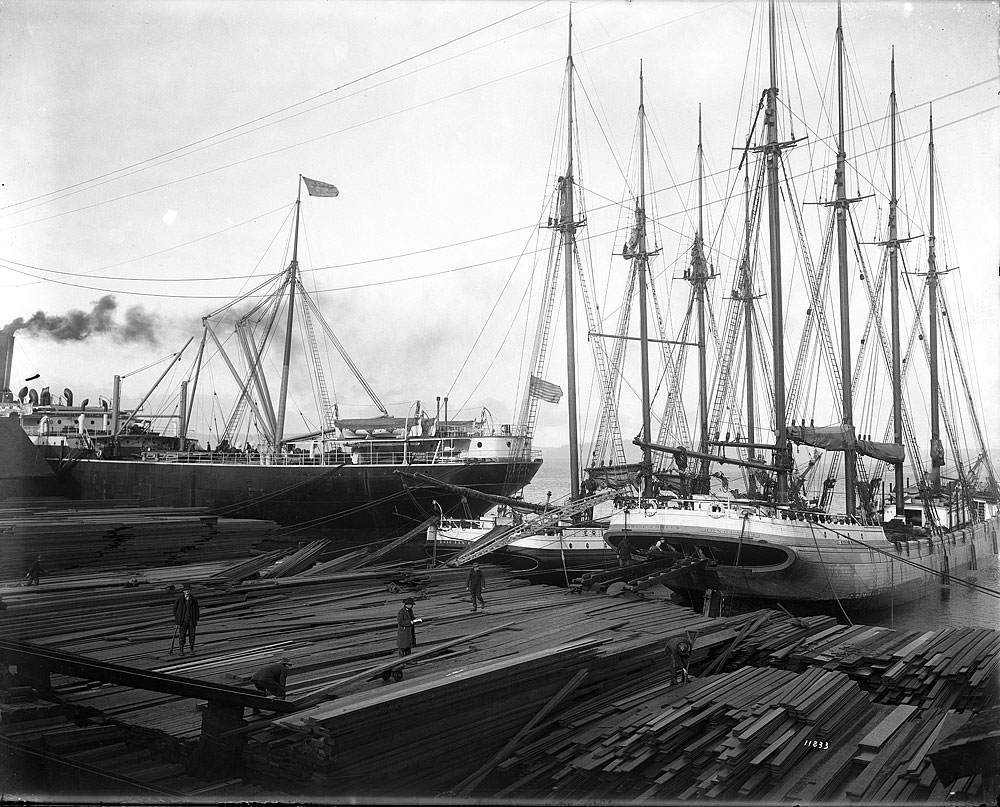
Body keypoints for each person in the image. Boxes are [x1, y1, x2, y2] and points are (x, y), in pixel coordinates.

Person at [173, 583, 200, 655]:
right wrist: (177, 622)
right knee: (182, 636)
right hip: (183, 621)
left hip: (191, 620)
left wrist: (196, 619)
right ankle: (181, 650)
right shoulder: (179, 599)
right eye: (186, 590)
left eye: (188, 590)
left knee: (192, 636)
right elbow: (175, 610)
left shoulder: (194, 599)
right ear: (183, 591)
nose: (187, 591)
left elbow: (197, 610)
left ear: (190, 591)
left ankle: (191, 649)